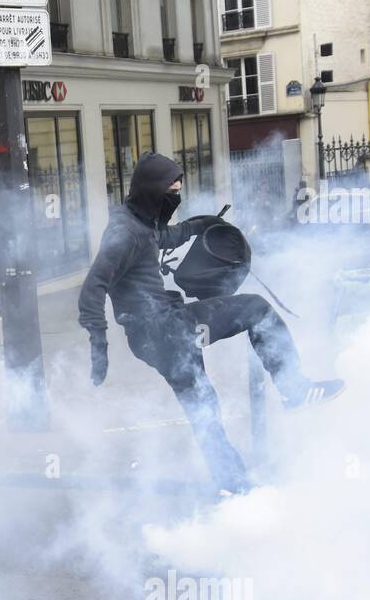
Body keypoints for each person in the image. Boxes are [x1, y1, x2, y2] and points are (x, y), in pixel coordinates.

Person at [79, 152, 344, 495]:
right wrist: (99, 347)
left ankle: (232, 485)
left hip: (164, 331)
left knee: (203, 405)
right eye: (170, 191)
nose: (175, 197)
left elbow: (163, 237)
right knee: (256, 309)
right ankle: (294, 391)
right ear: (151, 191)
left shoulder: (139, 223)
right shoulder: (124, 234)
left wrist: (200, 225)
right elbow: (91, 289)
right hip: (161, 330)